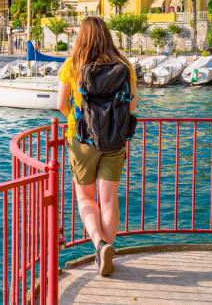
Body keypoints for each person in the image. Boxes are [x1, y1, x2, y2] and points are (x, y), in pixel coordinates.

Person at [56, 16, 138, 277]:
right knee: (108, 199)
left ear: (81, 37)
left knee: (85, 198)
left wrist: (78, 120)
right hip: (115, 139)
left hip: (81, 140)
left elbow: (61, 104)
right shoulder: (124, 66)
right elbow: (132, 106)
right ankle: (107, 248)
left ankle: (100, 245)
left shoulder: (73, 65)